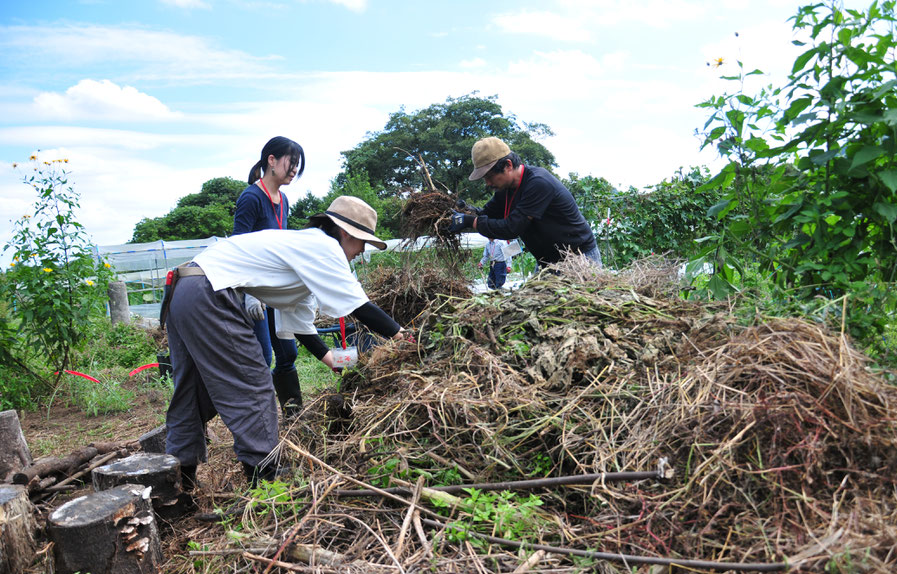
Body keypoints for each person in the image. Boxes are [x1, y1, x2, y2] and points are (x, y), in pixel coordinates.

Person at [163, 196, 403, 489]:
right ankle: (264, 481)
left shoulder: (300, 252)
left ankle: (176, 484)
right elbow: (360, 305)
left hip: (184, 287)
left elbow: (301, 326)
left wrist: (334, 359)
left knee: (191, 391)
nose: (361, 252)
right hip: (210, 292)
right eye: (362, 243)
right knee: (252, 385)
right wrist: (402, 338)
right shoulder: (324, 247)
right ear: (346, 232)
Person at [232, 136, 305, 418]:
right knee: (262, 357)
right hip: (255, 292)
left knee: (288, 353)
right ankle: (259, 421)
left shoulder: (283, 199)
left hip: (276, 290)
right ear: (271, 160)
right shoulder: (251, 197)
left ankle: (293, 414)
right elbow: (239, 247)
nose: (294, 169)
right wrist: (249, 292)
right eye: (291, 162)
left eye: (298, 165)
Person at [448, 137, 601, 269]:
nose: (487, 183)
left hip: (578, 258)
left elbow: (511, 227)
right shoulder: (505, 189)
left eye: (489, 176)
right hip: (547, 261)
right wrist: (463, 211)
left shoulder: (538, 183)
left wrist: (471, 221)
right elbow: (486, 213)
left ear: (508, 165)